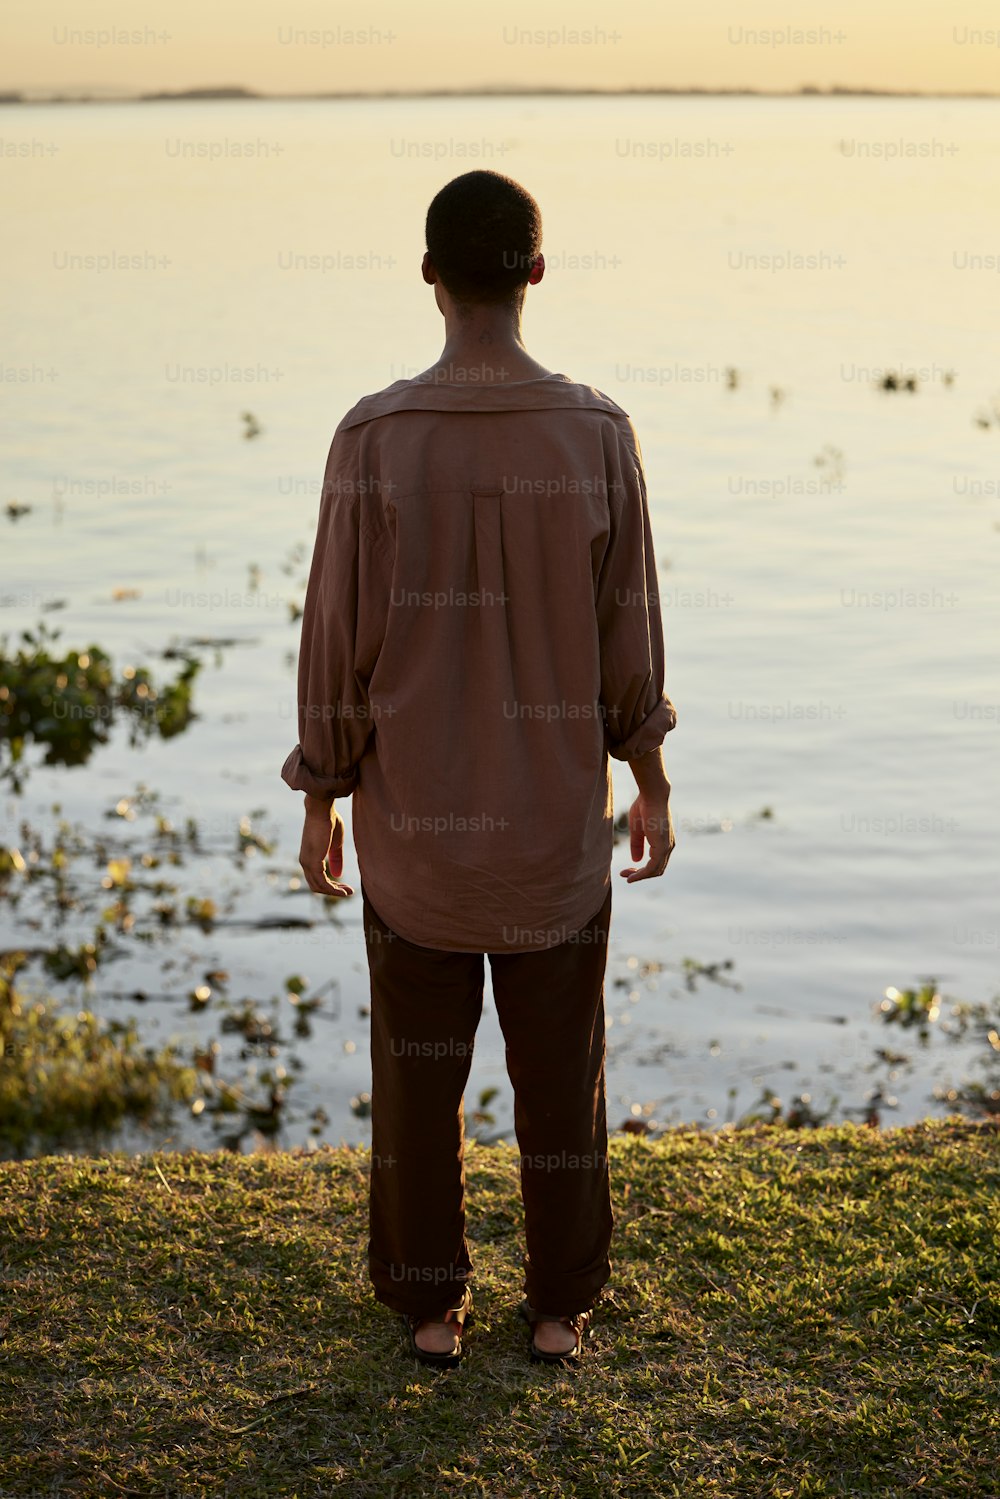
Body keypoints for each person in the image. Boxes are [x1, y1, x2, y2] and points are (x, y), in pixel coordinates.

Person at [282, 169, 677, 1370]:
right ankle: (557, 1308)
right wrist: (649, 776)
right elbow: (630, 627)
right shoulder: (596, 431)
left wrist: (323, 790)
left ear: (429, 276)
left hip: (420, 841)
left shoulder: (373, 437)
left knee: (414, 1085)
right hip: (554, 834)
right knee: (561, 1082)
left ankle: (429, 1305)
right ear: (536, 275)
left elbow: (335, 632)